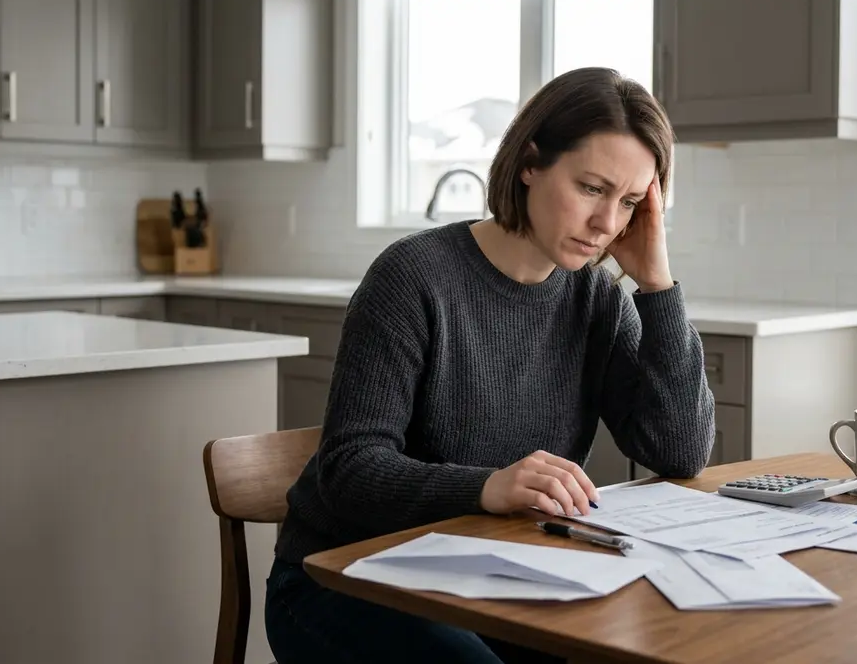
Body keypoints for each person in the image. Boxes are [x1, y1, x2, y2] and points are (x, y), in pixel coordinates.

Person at [264, 66, 717, 664]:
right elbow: (348, 470)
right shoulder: (413, 278)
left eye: (630, 201)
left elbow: (679, 451)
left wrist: (657, 286)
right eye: (591, 188)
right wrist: (485, 486)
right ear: (530, 163)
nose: (608, 224)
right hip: (344, 577)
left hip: (497, 577)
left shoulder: (598, 299)